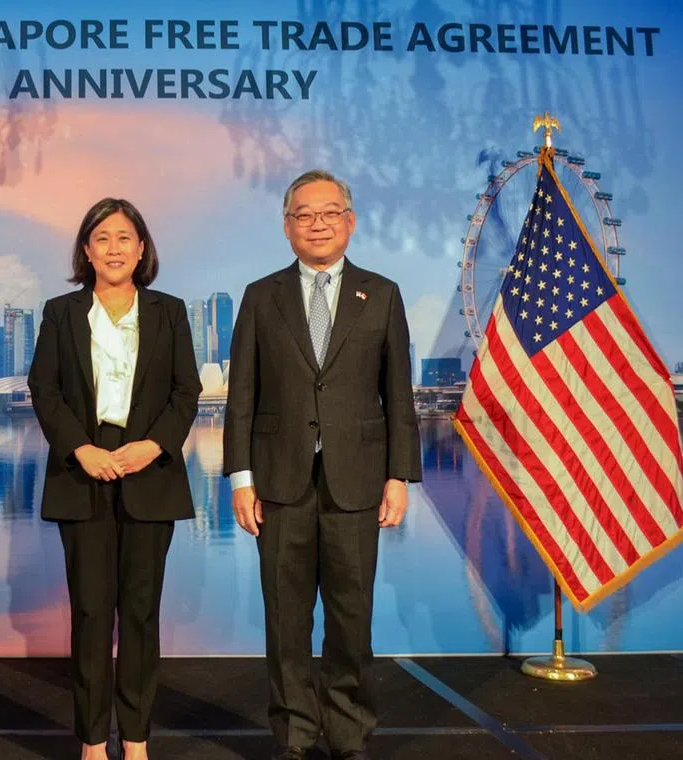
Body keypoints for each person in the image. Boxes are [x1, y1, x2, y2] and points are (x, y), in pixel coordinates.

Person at [223, 170, 421, 760]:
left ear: (350, 222)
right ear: (287, 227)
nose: (317, 223)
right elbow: (242, 398)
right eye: (304, 214)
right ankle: (294, 734)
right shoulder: (261, 296)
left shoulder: (381, 294)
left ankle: (349, 732)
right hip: (278, 484)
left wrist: (398, 476)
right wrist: (240, 478)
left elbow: (400, 395)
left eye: (329, 213)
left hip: (358, 483)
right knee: (285, 621)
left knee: (351, 617)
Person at [27, 198, 201, 760]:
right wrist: (80, 448)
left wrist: (152, 445)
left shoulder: (170, 311)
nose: (114, 248)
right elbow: (45, 390)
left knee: (143, 613)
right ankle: (92, 741)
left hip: (149, 468)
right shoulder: (60, 312)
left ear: (142, 248)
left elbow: (186, 392)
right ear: (86, 250)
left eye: (125, 237)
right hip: (83, 469)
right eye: (102, 238)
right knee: (91, 613)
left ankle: (138, 737)